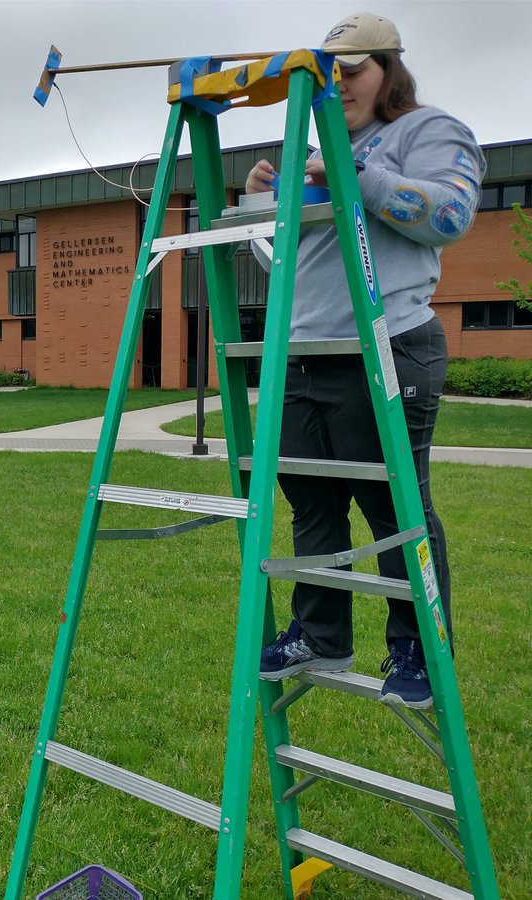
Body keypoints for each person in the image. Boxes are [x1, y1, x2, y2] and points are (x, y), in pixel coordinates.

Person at [250, 13, 485, 708]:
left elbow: (452, 215)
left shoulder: (427, 130)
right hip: (304, 352)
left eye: (354, 70)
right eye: (331, 73)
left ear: (389, 68)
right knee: (311, 503)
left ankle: (417, 647)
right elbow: (291, 264)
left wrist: (362, 171)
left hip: (388, 345)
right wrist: (263, 206)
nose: (341, 85)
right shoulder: (315, 148)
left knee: (395, 508)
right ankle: (321, 631)